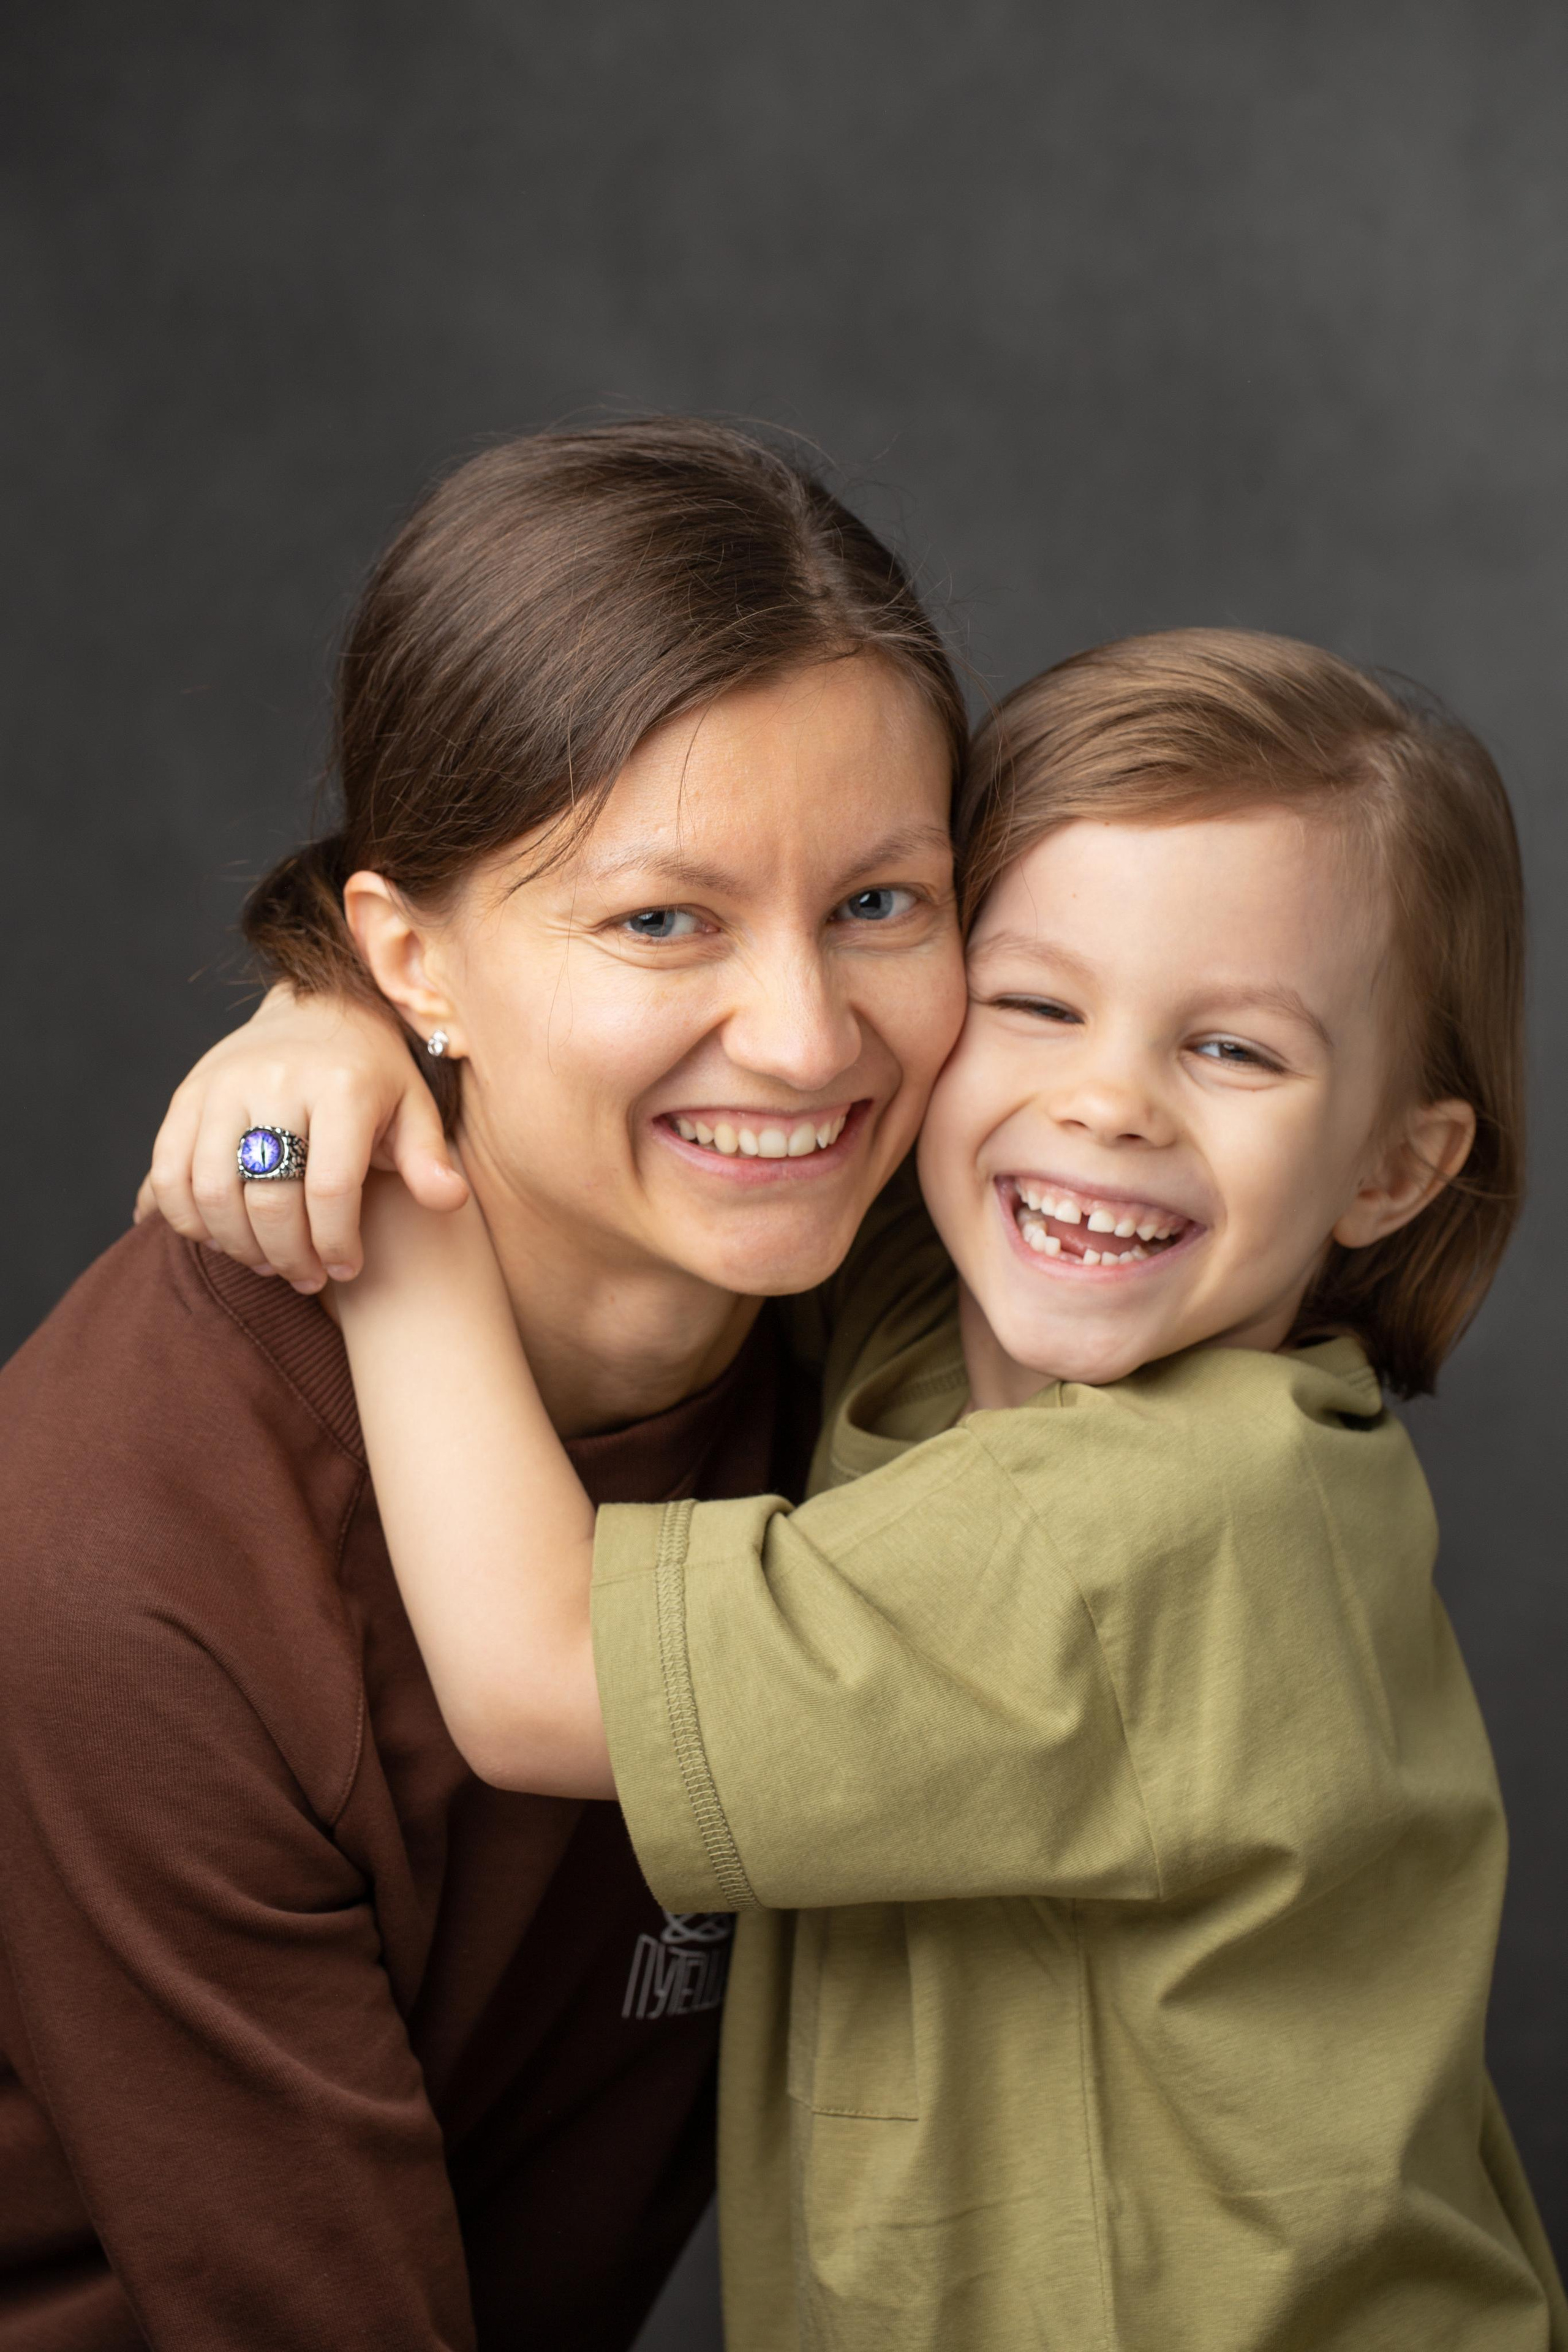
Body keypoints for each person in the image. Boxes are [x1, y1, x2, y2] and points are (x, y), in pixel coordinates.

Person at [160, 631, 1566, 2348]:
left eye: (1238, 1054)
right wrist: (341, 1008)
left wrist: (384, 1197)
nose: (1105, 1104)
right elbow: (689, 1137)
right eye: (1036, 1005)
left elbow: (538, 1679)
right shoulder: (935, 1320)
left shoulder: (1167, 1517)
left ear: (1397, 1166)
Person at [0, 417, 973, 2349]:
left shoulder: (914, 1320)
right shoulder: (125, 1553)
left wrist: (331, 1033)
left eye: (881, 903)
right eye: (659, 919)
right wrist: (311, 1064)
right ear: (412, 965)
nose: (800, 1040)